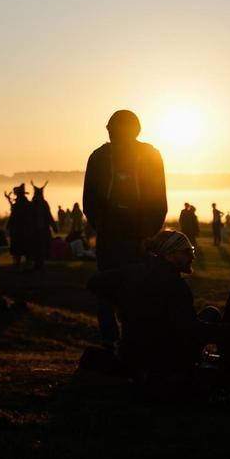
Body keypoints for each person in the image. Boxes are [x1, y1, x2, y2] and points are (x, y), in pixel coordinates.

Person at [87, 230, 220, 395]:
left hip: (131, 353)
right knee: (212, 314)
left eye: (192, 250)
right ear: (170, 254)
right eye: (187, 251)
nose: (192, 256)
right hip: (165, 359)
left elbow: (94, 282)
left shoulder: (133, 272)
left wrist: (122, 302)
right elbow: (191, 329)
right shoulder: (177, 287)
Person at [82, 109, 167, 346]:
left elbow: (158, 198)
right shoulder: (100, 157)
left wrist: (147, 234)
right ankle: (120, 342)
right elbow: (89, 200)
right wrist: (102, 226)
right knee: (115, 290)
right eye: (108, 128)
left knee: (126, 290)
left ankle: (126, 342)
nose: (108, 132)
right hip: (117, 235)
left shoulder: (146, 156)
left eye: (112, 128)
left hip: (131, 236)